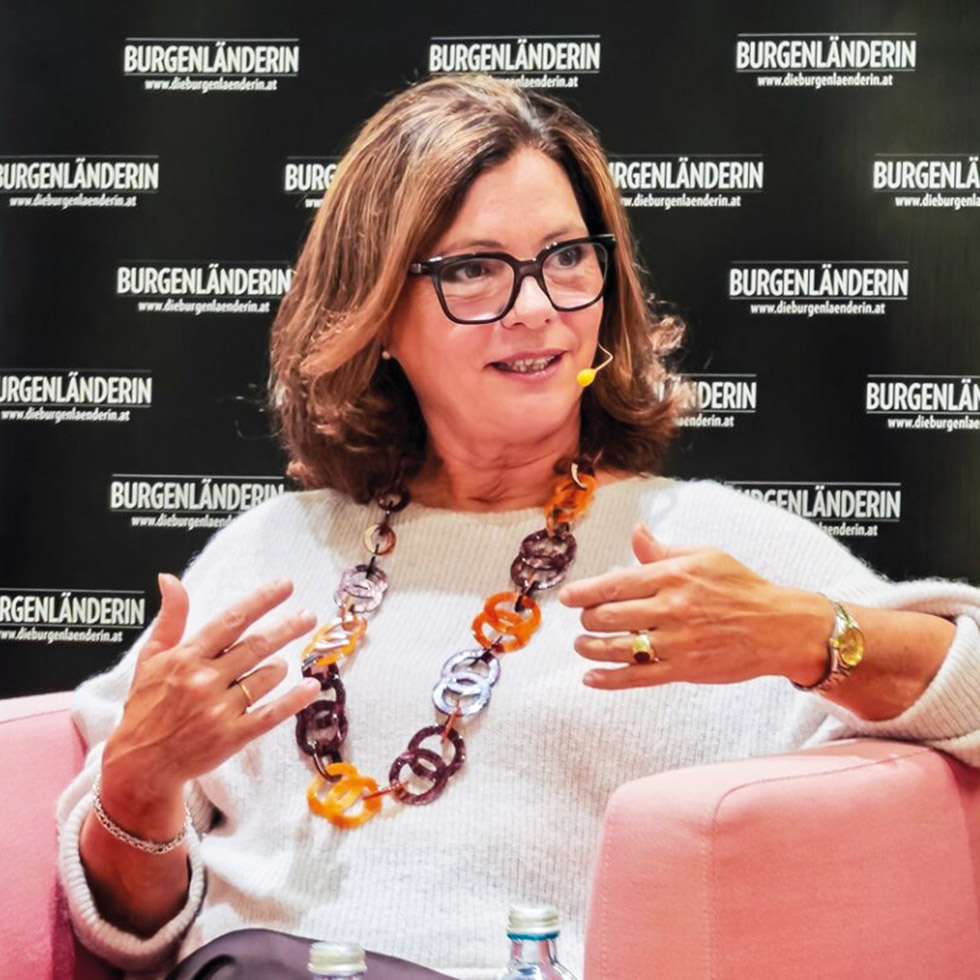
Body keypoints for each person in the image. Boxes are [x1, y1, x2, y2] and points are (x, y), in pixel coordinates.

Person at [56, 74, 980, 980]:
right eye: (473, 270)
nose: (537, 307)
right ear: (376, 314)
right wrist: (139, 788)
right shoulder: (272, 552)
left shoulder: (700, 545)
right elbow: (127, 937)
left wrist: (815, 635)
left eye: (567, 258)